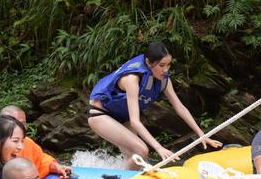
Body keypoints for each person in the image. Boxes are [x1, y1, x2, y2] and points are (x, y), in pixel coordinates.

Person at [88, 41, 221, 169]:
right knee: (142, 151)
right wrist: (159, 148)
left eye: (168, 65)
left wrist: (201, 135)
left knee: (138, 161)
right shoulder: (132, 79)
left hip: (122, 118)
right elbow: (135, 121)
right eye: (161, 65)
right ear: (148, 63)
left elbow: (180, 107)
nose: (165, 70)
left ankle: (127, 178)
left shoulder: (163, 80)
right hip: (100, 115)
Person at [0, 105, 73, 179]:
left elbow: (41, 160)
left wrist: (57, 167)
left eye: (23, 123)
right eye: (15, 123)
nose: (21, 128)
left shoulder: (27, 142)